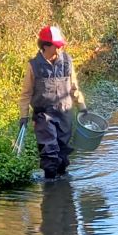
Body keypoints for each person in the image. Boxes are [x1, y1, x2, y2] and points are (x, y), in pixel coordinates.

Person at [20, 25, 85, 179]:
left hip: (65, 113)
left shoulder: (67, 61)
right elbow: (26, 94)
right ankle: (50, 183)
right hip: (44, 115)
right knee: (49, 150)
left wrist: (82, 107)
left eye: (60, 45)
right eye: (56, 45)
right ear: (45, 46)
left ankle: (62, 182)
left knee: (63, 149)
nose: (59, 48)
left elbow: (74, 87)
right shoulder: (33, 66)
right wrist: (23, 116)